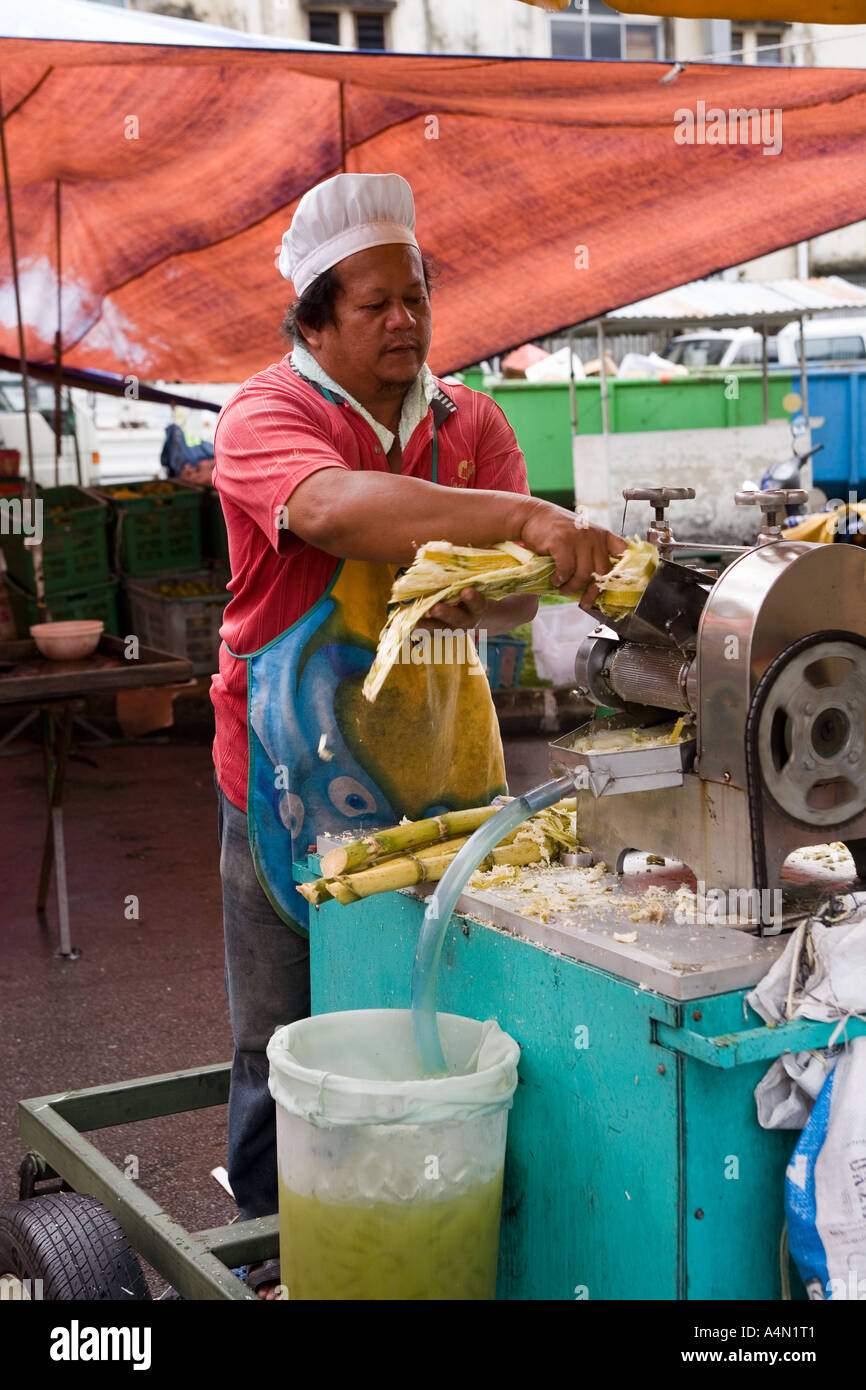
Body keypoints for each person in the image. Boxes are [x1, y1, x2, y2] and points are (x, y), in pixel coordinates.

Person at [210, 171, 624, 1297]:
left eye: (416, 297)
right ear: (314, 319)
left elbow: (508, 597)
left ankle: (439, 1195)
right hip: (291, 774)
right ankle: (275, 1249)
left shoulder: (469, 421)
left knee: (445, 1000)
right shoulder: (265, 415)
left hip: (444, 765)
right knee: (280, 1025)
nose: (405, 320)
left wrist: (492, 587)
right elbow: (334, 509)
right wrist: (518, 519)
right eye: (374, 304)